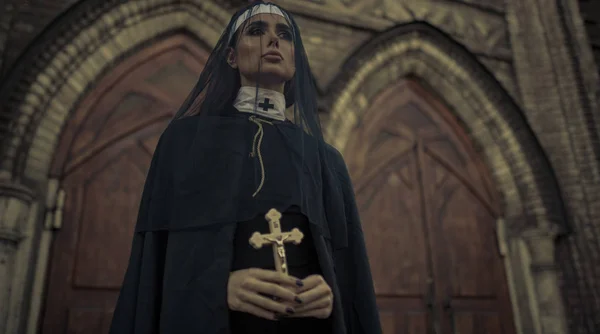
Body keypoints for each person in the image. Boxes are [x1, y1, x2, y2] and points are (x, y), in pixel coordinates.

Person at [109, 2, 381, 334]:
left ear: (296, 59)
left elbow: (350, 276)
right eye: (256, 31)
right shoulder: (185, 143)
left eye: (285, 34)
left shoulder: (327, 161)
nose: (273, 41)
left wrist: (330, 294)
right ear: (231, 56)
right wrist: (217, 288)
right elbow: (155, 263)